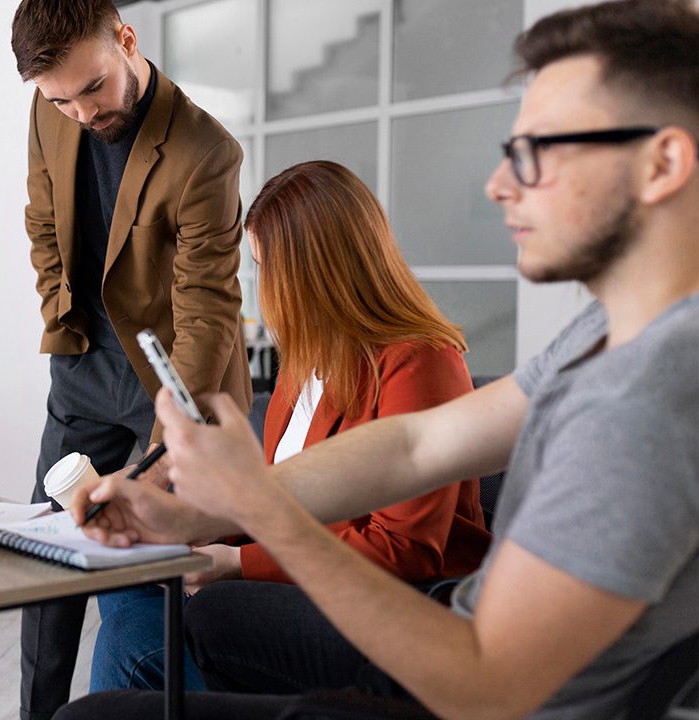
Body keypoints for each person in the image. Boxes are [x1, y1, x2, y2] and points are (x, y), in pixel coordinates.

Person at [60, 0, 699, 717]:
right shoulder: (601, 338)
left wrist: (257, 527)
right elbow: (416, 443)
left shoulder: (647, 400)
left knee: (102, 709)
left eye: (539, 150)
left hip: (463, 688)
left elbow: (487, 683)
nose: (498, 186)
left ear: (662, 162)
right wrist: (215, 509)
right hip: (455, 649)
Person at [89, 161, 492, 695]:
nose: (260, 291)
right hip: (305, 576)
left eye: (266, 268)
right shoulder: (304, 364)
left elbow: (407, 550)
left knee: (171, 627)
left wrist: (237, 561)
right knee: (126, 587)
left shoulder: (420, 360)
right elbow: (286, 497)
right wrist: (204, 530)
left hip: (396, 599)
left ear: (316, 271)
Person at [10, 0, 252, 716]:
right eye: (61, 99)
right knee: (45, 565)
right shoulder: (48, 108)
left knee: (163, 573)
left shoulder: (207, 152)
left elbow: (208, 310)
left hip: (171, 382)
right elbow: (41, 218)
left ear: (126, 41)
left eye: (93, 89)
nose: (80, 113)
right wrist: (60, 314)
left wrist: (169, 430)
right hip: (83, 369)